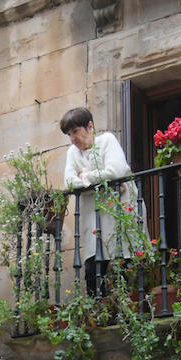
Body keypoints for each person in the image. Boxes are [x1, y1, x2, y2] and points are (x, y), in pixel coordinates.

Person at [60, 107, 138, 295]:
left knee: (125, 266)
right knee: (93, 271)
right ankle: (99, 317)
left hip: (120, 214)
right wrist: (105, 185)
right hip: (92, 220)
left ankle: (127, 317)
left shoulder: (107, 141)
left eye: (75, 132)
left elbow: (115, 171)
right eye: (69, 134)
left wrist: (85, 177)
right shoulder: (72, 153)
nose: (73, 139)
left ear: (90, 126)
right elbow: (70, 182)